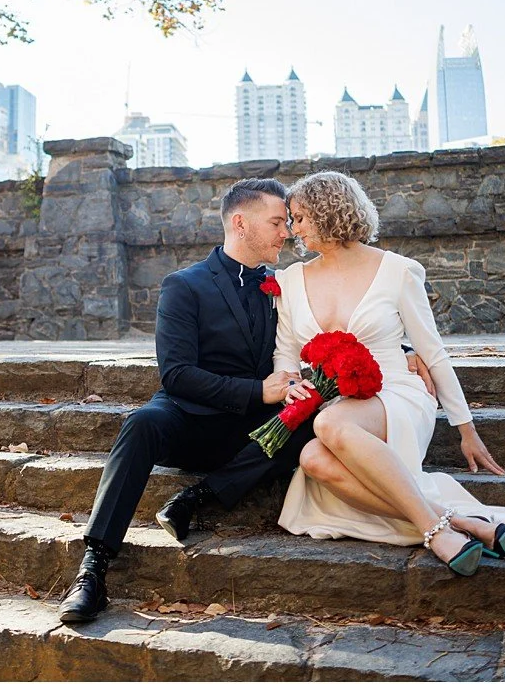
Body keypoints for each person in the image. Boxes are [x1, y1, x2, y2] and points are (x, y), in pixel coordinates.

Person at [58, 178, 438, 623]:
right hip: (189, 416)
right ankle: (94, 567)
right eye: (278, 222)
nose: (287, 233)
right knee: (141, 423)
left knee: (317, 422)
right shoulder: (184, 286)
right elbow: (176, 375)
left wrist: (404, 354)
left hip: (255, 431)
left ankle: (198, 497)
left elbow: (336, 329)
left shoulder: (287, 285)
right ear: (241, 224)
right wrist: (258, 390)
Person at [273, 170, 505, 573]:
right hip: (338, 399)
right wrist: (291, 382)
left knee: (329, 425)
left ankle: (437, 535)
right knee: (314, 459)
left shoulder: (397, 271)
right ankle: (458, 522)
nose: (293, 229)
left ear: (328, 212)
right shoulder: (292, 279)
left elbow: (431, 351)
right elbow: (286, 351)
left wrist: (465, 427)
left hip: (398, 391)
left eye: (299, 217)